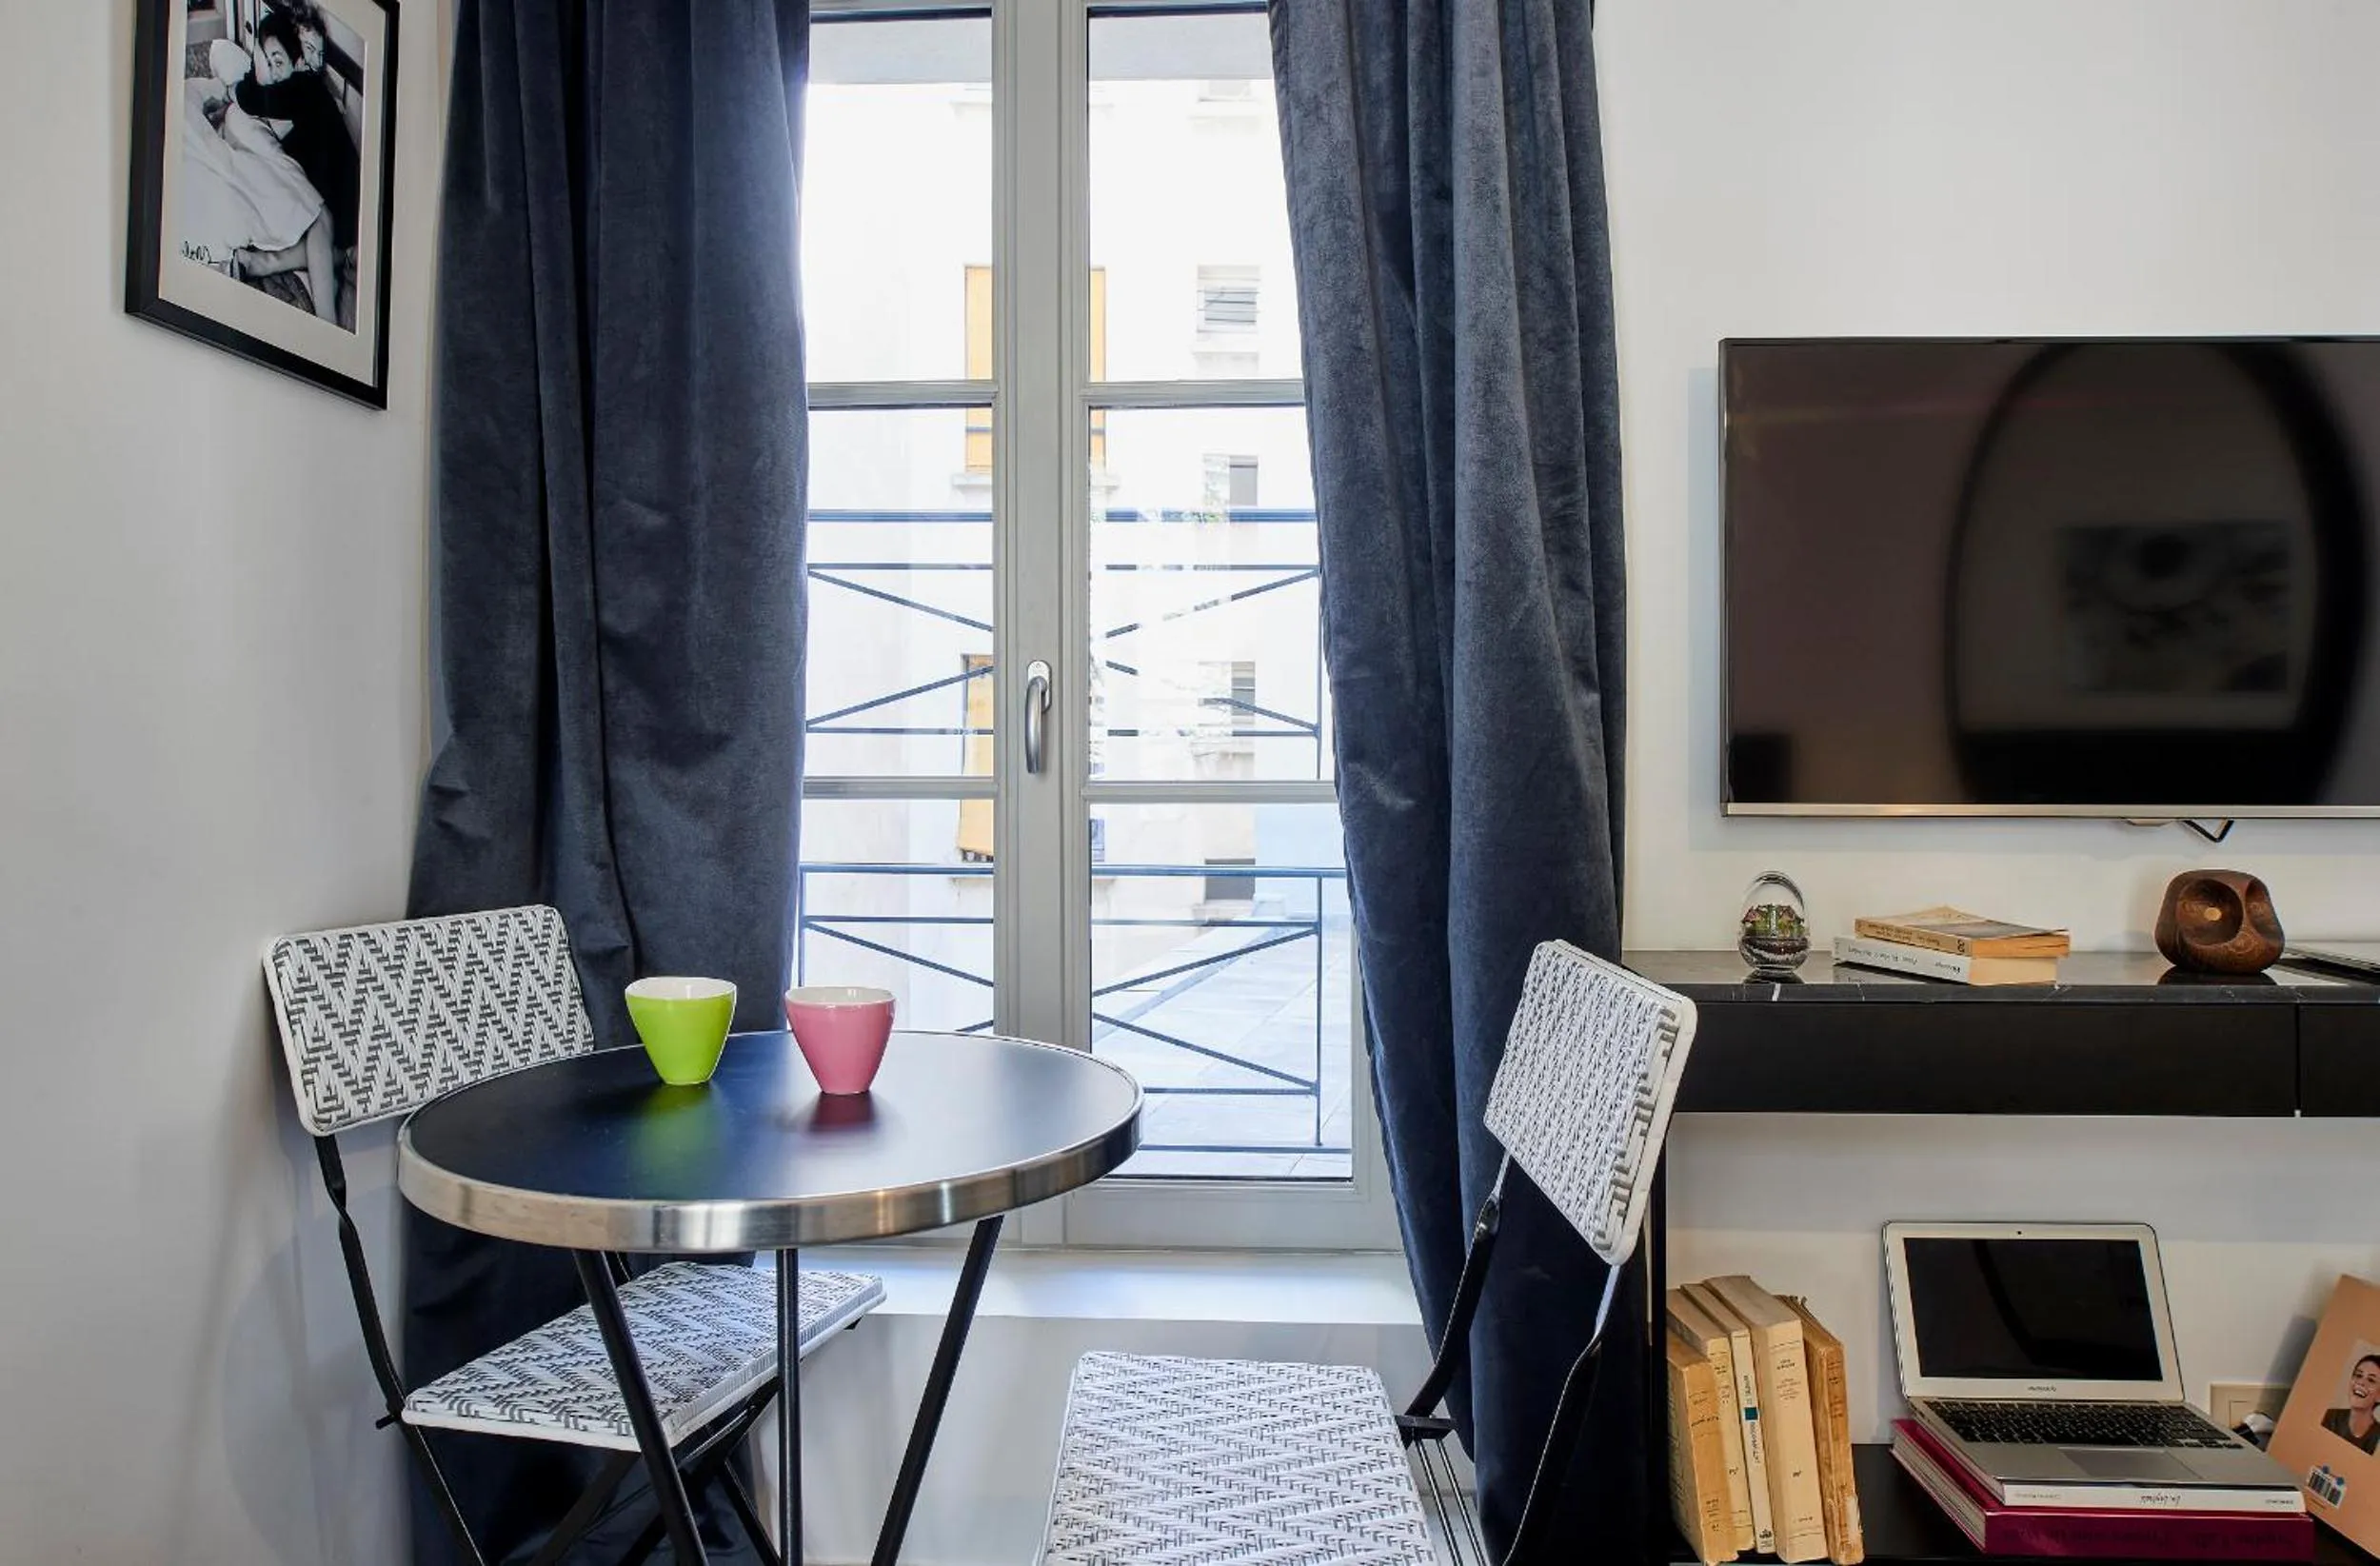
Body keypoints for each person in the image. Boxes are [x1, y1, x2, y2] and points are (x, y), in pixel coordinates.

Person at [233, 9, 361, 326]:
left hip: (343, 195)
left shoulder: (305, 89)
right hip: (326, 186)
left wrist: (259, 65)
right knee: (327, 243)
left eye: (279, 62)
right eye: (268, 61)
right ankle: (334, 260)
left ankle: (326, 319)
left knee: (319, 223)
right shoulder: (296, 86)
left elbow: (249, 97)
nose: (273, 73)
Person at [2323, 1353, 2380, 1456]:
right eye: (2358, 1375)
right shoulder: (2329, 1417)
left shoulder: (2377, 1437)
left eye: (2371, 1380)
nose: (2361, 1382)